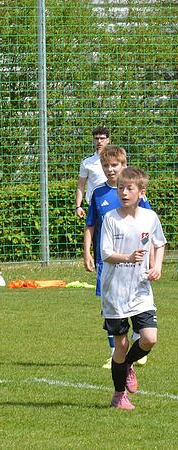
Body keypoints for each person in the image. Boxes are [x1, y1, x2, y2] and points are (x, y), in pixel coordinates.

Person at [99, 167, 165, 410]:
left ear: (141, 192)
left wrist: (156, 266)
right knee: (121, 344)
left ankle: (127, 365)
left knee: (149, 338)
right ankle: (118, 396)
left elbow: (159, 244)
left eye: (129, 189)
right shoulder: (111, 219)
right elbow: (106, 253)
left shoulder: (150, 218)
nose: (124, 193)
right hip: (114, 292)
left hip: (140, 290)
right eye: (120, 188)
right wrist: (128, 257)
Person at [84, 146, 150, 368]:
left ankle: (138, 341)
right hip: (108, 260)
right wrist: (87, 252)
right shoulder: (97, 194)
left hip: (135, 263)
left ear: (124, 165)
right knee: (111, 305)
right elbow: (90, 225)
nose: (110, 170)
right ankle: (115, 354)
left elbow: (147, 225)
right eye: (106, 166)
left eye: (115, 165)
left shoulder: (136, 194)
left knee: (138, 301)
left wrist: (149, 258)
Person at [75, 126, 110, 219]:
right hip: (93, 205)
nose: (99, 141)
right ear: (93, 140)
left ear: (108, 140)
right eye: (96, 139)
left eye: (102, 138)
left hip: (113, 203)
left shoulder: (116, 160)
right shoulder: (86, 162)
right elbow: (81, 186)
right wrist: (78, 206)